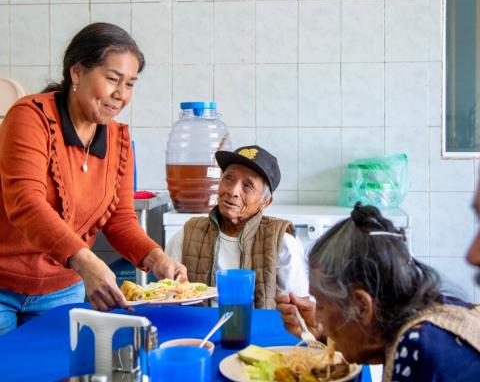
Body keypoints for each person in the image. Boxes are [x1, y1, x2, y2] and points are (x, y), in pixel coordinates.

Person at [0, 22, 186, 335]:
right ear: (77, 73)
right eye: (113, 79)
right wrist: (86, 262)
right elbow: (26, 203)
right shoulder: (30, 116)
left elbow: (121, 220)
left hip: (62, 290)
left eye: (130, 84)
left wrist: (157, 259)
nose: (121, 95)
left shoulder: (119, 139)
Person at [276, 203, 480, 381]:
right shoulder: (436, 311)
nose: (317, 314)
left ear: (362, 306)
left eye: (320, 304)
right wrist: (323, 334)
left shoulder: (417, 348)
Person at [166, 145, 310, 308]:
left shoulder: (282, 243)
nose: (233, 191)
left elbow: (297, 309)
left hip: (257, 331)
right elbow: (167, 297)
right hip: (196, 331)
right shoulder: (188, 234)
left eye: (247, 186)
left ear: (265, 202)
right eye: (229, 178)